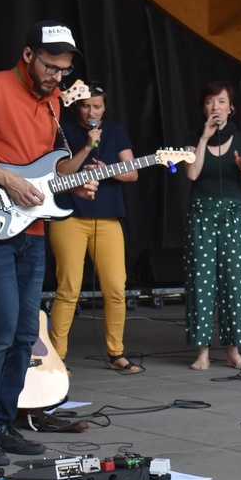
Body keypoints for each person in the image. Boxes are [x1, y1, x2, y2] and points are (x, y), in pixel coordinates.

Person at [0, 20, 99, 466]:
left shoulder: (53, 102)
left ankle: (2, 422)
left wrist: (77, 182)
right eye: (50, 66)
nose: (56, 77)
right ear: (28, 55)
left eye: (64, 70)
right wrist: (5, 178)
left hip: (32, 229)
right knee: (0, 327)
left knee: (26, 332)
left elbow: (46, 172)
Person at [49, 81, 142, 374]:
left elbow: (133, 174)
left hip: (108, 218)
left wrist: (106, 170)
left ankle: (116, 353)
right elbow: (60, 172)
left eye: (97, 106)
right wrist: (88, 147)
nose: (92, 112)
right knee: (68, 288)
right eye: (87, 106)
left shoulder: (115, 131)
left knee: (116, 288)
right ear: (78, 106)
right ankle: (57, 357)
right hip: (69, 217)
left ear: (105, 108)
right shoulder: (63, 130)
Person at [183, 82, 241, 371]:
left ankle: (233, 351)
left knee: (233, 283)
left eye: (221, 101)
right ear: (203, 108)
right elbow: (192, 173)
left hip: (232, 216)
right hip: (201, 215)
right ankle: (202, 352)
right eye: (209, 101)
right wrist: (204, 138)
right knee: (201, 282)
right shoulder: (193, 137)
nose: (215, 106)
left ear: (231, 107)